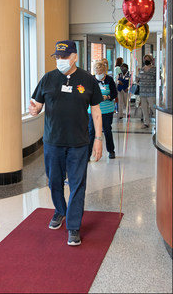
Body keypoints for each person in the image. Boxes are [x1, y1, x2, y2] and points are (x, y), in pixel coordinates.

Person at [29, 40, 103, 246]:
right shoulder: (48, 79)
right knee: (54, 181)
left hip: (79, 142)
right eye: (58, 57)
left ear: (74, 57)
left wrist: (98, 138)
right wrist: (34, 110)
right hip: (53, 141)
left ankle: (73, 226)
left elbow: (96, 111)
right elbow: (37, 105)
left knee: (78, 184)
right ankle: (60, 210)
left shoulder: (88, 80)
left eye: (64, 56)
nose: (60, 60)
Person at [88, 61, 117, 159]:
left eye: (100, 72)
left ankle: (111, 151)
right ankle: (88, 153)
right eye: (97, 72)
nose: (98, 74)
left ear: (104, 71)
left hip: (106, 110)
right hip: (92, 109)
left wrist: (107, 96)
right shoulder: (91, 79)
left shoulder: (109, 80)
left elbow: (114, 94)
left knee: (107, 130)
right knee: (91, 131)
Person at [137, 54, 156, 128]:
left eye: (147, 59)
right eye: (145, 59)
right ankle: (146, 122)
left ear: (151, 60)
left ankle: (157, 122)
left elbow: (158, 79)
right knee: (144, 108)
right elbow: (139, 78)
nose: (146, 61)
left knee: (153, 107)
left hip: (151, 91)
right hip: (143, 91)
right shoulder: (142, 69)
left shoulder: (154, 69)